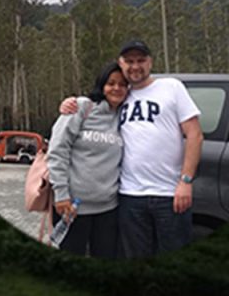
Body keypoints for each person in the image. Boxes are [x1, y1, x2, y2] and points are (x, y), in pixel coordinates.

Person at [60, 40, 204, 257]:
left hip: (169, 194)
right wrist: (70, 103)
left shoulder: (171, 87)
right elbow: (94, 110)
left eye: (140, 60)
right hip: (129, 196)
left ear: (150, 62)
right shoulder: (120, 98)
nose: (135, 66)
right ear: (121, 63)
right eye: (129, 61)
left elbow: (195, 135)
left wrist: (185, 181)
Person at [46, 62, 129, 258]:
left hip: (108, 209)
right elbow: (58, 150)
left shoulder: (124, 116)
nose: (116, 88)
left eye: (122, 84)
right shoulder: (83, 107)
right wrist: (61, 193)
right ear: (102, 85)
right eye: (111, 83)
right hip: (73, 207)